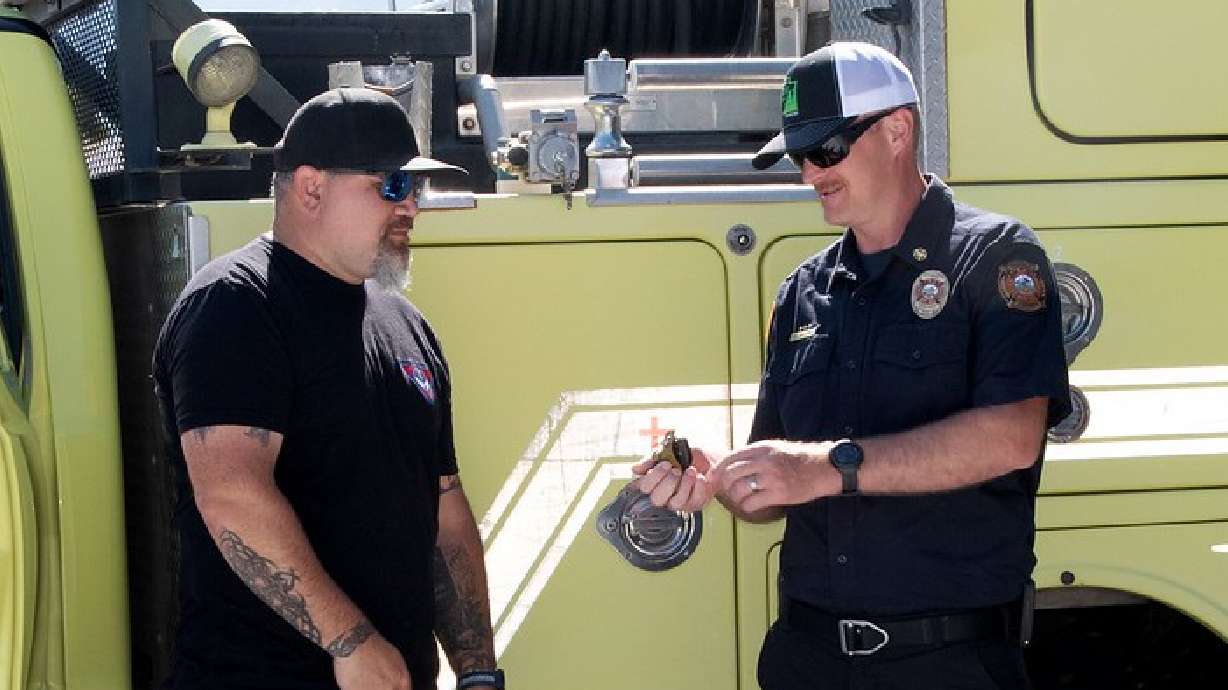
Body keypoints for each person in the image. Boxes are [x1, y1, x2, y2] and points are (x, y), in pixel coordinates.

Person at [635, 42, 1070, 689]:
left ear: (897, 130)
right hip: (807, 660)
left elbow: (1011, 437)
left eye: (826, 149)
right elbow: (773, 497)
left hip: (945, 664)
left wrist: (824, 468)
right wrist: (724, 478)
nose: (811, 173)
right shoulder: (801, 292)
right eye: (798, 156)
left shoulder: (995, 256)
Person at [154, 88, 504, 690]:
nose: (411, 208)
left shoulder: (405, 325)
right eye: (390, 186)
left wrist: (475, 671)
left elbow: (444, 511)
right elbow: (231, 494)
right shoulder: (235, 305)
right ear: (311, 188)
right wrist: (353, 642)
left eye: (415, 189)